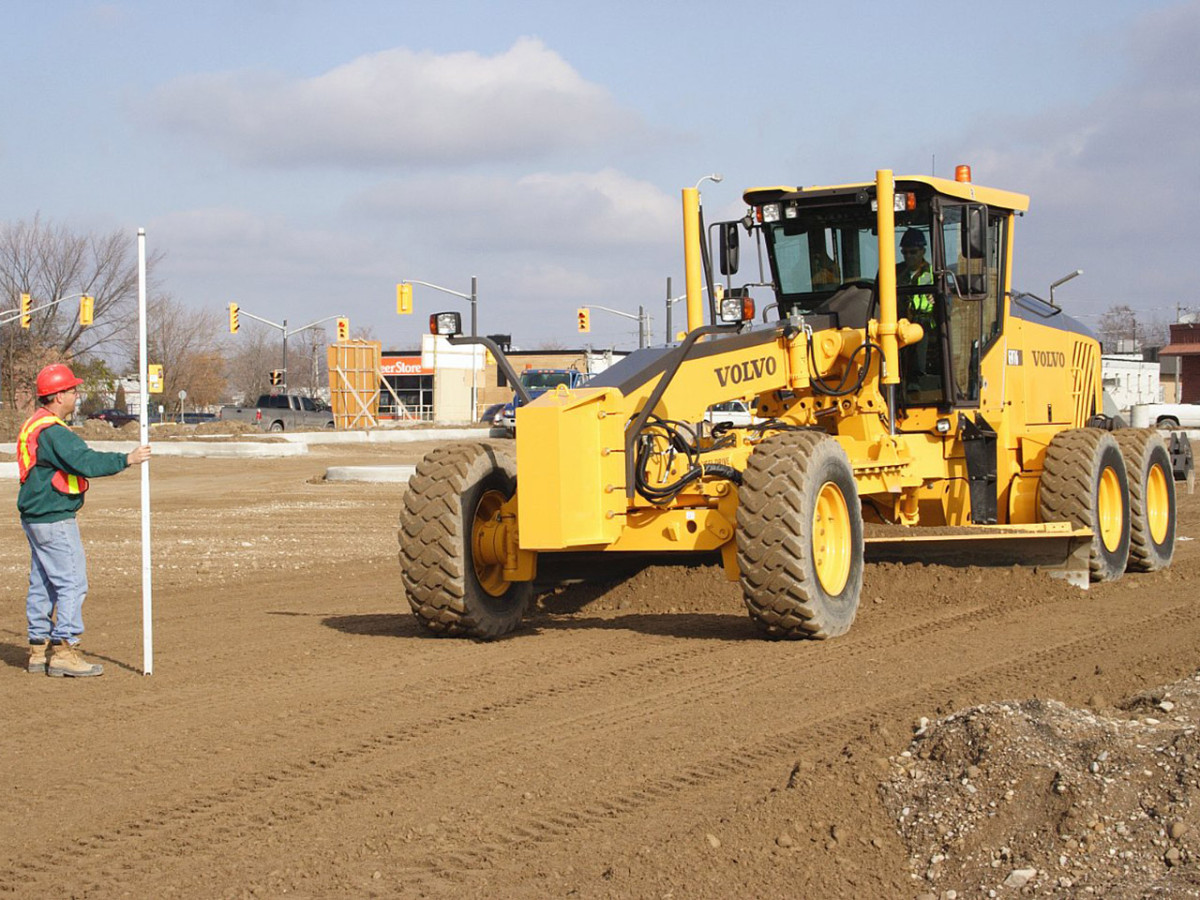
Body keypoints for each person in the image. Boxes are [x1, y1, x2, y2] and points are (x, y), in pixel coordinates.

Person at [18, 363, 151, 677]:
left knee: (43, 580)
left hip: (35, 516)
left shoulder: (34, 424)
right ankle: (64, 649)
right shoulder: (53, 432)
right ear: (58, 395)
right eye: (73, 390)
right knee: (72, 581)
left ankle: (38, 648)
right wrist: (127, 459)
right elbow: (85, 461)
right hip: (54, 518)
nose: (77, 395)